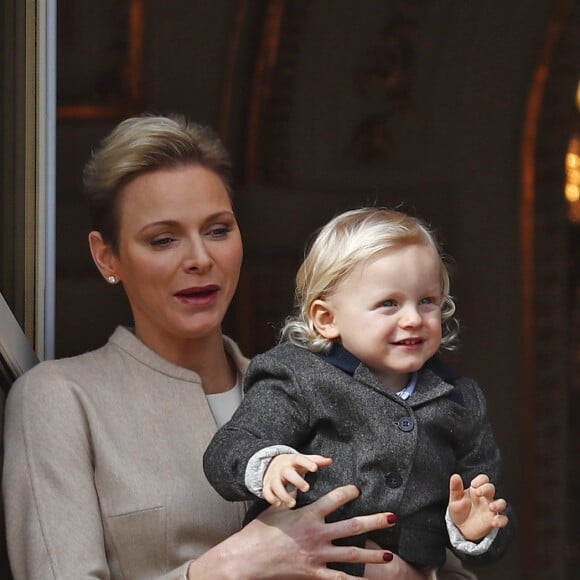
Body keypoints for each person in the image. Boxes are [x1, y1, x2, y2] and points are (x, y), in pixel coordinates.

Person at [0, 114, 474, 580]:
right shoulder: (61, 399)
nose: (200, 259)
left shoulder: (316, 387)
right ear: (108, 256)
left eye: (218, 230)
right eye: (163, 239)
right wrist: (227, 567)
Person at [204, 207, 514, 577]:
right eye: (389, 303)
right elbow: (227, 449)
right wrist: (269, 463)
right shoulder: (297, 376)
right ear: (327, 319)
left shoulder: (460, 400)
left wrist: (472, 528)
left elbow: (491, 511)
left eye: (427, 300)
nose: (413, 318)